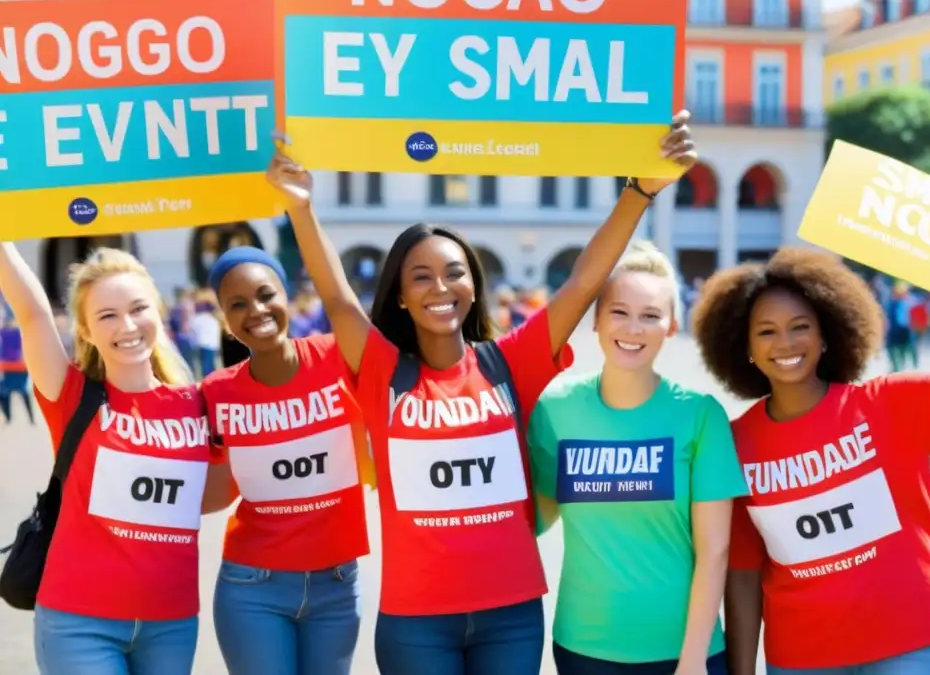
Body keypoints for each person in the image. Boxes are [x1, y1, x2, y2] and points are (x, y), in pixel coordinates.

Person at [265, 111, 698, 675]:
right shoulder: (381, 372)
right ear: (399, 295)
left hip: (510, 616)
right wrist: (300, 206)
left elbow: (583, 281)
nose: (440, 287)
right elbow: (339, 298)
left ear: (474, 283)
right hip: (416, 622)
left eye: (454, 272)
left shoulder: (509, 364)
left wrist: (640, 192)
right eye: (421, 276)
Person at [690, 248, 930, 675]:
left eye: (801, 327)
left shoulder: (887, 404)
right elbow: (742, 572)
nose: (786, 342)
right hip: (803, 657)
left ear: (826, 334)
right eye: (767, 332)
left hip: (913, 642)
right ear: (746, 347)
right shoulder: (733, 445)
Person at [528, 243, 747, 675]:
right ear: (596, 319)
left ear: (671, 325)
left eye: (651, 315)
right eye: (619, 311)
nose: (633, 327)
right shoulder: (555, 408)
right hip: (582, 647)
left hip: (681, 652)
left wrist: (692, 660)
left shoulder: (699, 415)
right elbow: (537, 512)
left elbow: (715, 551)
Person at [0, 244, 209, 675]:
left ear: (160, 312)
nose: (127, 325)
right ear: (86, 332)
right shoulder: (72, 394)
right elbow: (32, 311)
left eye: (138, 308)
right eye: (107, 315)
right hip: (80, 622)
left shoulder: (197, 404)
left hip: (171, 623)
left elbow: (213, 495)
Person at [200, 246, 373, 675]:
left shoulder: (340, 358)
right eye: (237, 304)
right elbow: (217, 494)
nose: (256, 311)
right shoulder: (216, 392)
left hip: (336, 585)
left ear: (287, 295)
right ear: (224, 318)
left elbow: (344, 303)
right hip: (251, 587)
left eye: (265, 295)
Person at [1, 311, 31, 424]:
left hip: (20, 367)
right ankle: (8, 417)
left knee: (22, 391)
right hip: (8, 367)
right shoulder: (4, 332)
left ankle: (30, 418)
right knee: (4, 392)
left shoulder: (20, 332)